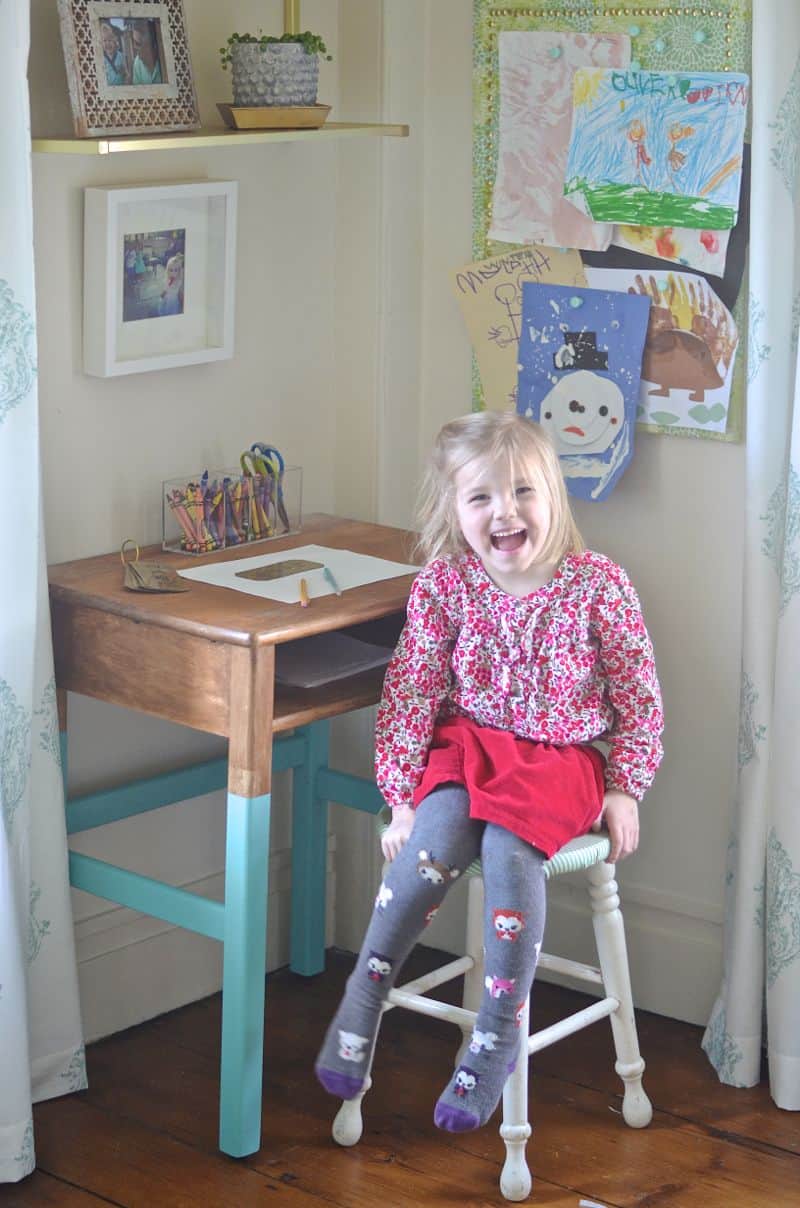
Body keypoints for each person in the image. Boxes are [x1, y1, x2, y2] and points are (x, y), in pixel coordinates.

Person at [315, 410, 663, 1133]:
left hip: (559, 759)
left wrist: (626, 786)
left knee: (509, 857)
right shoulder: (447, 585)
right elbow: (411, 691)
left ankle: (497, 1033)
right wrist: (403, 798)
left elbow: (639, 699)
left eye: (522, 492)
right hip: (467, 745)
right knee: (426, 852)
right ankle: (363, 994)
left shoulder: (598, 586)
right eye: (481, 499)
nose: (504, 511)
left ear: (553, 498)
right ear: (455, 511)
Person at [130, 19, 162, 85]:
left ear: (152, 45)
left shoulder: (164, 60)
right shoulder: (137, 63)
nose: (134, 47)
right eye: (133, 41)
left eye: (138, 43)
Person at [100, 20, 126, 86]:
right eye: (104, 40)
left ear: (114, 41)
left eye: (110, 40)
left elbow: (126, 73)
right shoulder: (101, 58)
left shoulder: (121, 56)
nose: (107, 43)